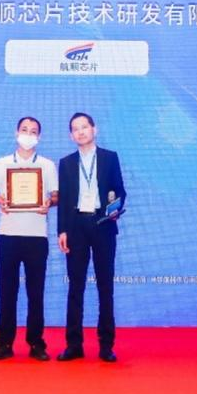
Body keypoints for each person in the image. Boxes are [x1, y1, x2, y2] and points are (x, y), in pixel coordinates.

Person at [0, 116, 58, 361]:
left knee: (36, 293)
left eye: (33, 131)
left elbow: (56, 196)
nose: (28, 134)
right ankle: (4, 344)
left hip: (36, 237)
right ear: (16, 133)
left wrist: (49, 203)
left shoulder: (47, 165)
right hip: (8, 236)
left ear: (39, 137)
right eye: (24, 130)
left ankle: (36, 343)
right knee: (7, 293)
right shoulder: (2, 163)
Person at [56, 112, 126, 362]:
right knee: (75, 287)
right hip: (76, 227)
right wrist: (62, 231)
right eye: (76, 129)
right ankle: (74, 345)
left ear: (94, 130)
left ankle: (106, 346)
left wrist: (114, 209)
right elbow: (64, 200)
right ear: (71, 135)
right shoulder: (65, 163)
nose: (81, 132)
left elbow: (119, 191)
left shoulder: (110, 157)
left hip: (102, 225)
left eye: (84, 127)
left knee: (105, 286)